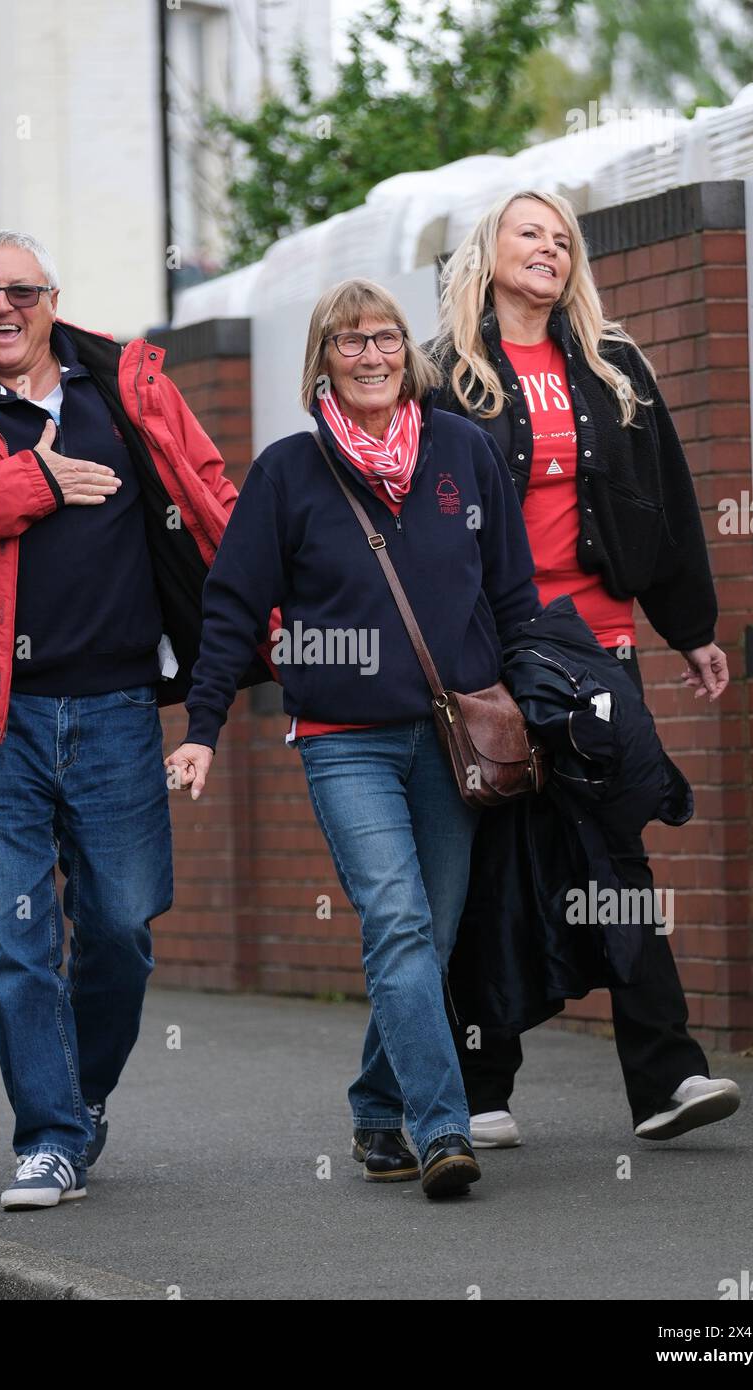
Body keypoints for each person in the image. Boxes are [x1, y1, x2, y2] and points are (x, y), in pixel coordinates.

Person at [0, 230, 267, 1210]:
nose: (1, 308)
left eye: (19, 290)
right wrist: (26, 483)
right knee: (15, 942)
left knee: (122, 927)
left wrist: (268, 598)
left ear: (52, 299)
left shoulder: (125, 387)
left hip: (117, 706)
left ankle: (79, 1100)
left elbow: (208, 489)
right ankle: (47, 1137)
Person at [166, 277, 541, 1198]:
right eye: (347, 342)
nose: (369, 356)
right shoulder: (289, 472)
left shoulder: (461, 453)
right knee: (399, 921)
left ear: (406, 352)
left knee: (430, 935)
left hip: (454, 737)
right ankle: (440, 1127)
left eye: (384, 339)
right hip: (346, 742)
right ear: (321, 360)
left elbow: (515, 595)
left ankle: (378, 1109)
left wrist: (540, 704)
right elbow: (232, 607)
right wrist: (203, 727)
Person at [431, 189, 740, 1148]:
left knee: (618, 856)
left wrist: (689, 627)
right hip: (497, 656)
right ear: (489, 251)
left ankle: (667, 1081)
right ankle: (481, 1086)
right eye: (530, 233)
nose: (550, 249)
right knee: (496, 858)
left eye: (563, 239)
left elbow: (669, 498)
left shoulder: (615, 366)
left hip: (600, 650)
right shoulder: (447, 376)